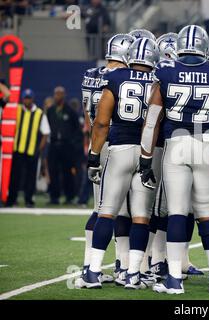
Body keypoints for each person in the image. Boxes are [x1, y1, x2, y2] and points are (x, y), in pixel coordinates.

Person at [139, 25, 209, 294]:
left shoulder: (166, 71)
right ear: (205, 46)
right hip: (205, 144)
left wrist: (146, 158)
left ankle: (173, 280)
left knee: (178, 211)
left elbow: (151, 121)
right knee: (207, 212)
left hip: (176, 144)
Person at [80, 37, 160, 290]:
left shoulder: (115, 78)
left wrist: (93, 155)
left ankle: (92, 272)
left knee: (107, 210)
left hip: (120, 148)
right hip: (149, 152)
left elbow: (101, 122)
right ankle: (133, 274)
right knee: (141, 217)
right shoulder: (161, 81)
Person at [74, 33, 135, 289]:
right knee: (111, 210)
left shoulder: (91, 74)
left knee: (105, 207)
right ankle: (104, 267)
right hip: (115, 141)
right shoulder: (120, 77)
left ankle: (98, 266)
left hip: (98, 142)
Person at [5, 89, 50, 208]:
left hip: (32, 150)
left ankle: (29, 200)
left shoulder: (39, 113)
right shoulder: (17, 110)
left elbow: (46, 133)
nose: (27, 100)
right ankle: (11, 199)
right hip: (17, 149)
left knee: (30, 177)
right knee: (15, 176)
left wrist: (38, 149)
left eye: (29, 98)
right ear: (22, 99)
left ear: (32, 99)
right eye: (25, 98)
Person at [46, 86, 82, 205]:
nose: (58, 96)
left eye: (60, 94)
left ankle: (69, 197)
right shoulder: (50, 110)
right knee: (53, 171)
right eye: (56, 94)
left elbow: (77, 130)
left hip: (67, 146)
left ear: (64, 95)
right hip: (54, 144)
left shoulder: (70, 111)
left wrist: (73, 144)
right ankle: (54, 197)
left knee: (67, 172)